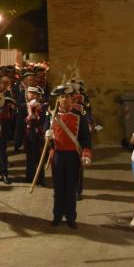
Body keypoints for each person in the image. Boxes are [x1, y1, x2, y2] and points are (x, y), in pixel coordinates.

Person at [45, 85, 92, 229]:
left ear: (72, 99)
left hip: (73, 156)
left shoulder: (80, 115)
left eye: (68, 97)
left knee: (71, 188)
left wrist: (86, 153)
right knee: (58, 188)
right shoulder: (51, 115)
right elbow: (45, 131)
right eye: (62, 97)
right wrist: (47, 136)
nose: (65, 100)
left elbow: (86, 137)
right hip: (58, 156)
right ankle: (57, 216)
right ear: (58, 99)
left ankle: (71, 217)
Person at [24, 86, 47, 185]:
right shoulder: (24, 106)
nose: (31, 95)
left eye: (34, 94)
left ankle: (40, 178)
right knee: (29, 157)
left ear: (38, 96)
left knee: (39, 157)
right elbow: (19, 121)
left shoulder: (43, 106)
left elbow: (45, 120)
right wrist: (28, 118)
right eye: (29, 93)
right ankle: (30, 177)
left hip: (38, 134)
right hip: (28, 134)